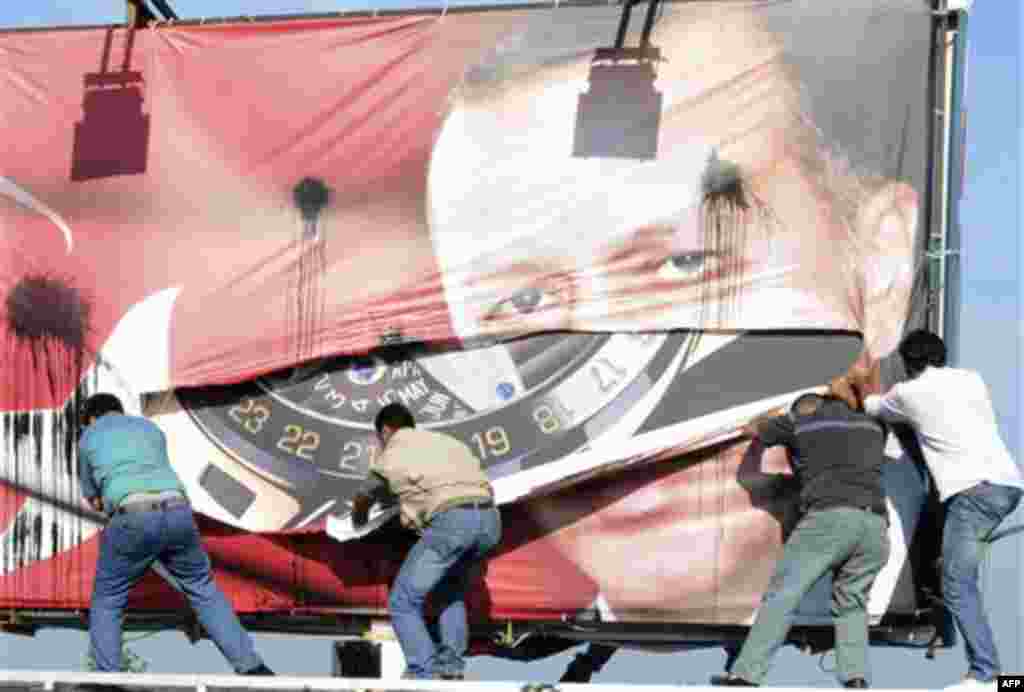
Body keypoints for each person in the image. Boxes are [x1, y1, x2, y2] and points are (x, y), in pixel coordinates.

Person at [863, 330, 1024, 689]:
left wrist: (857, 382)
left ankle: (985, 674)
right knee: (945, 554)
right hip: (1007, 486)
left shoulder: (906, 393)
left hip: (972, 494)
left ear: (908, 364)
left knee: (957, 583)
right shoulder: (972, 380)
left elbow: (872, 407)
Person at [77, 393, 274, 676]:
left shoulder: (89, 436)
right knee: (203, 590)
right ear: (119, 411)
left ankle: (109, 677)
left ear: (91, 418)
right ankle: (252, 667)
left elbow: (93, 498)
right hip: (178, 511)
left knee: (108, 598)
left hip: (131, 516)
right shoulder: (150, 429)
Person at [710, 384, 889, 688]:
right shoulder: (872, 425)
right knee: (852, 602)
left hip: (829, 520)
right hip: (874, 526)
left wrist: (777, 420)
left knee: (783, 596)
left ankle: (746, 675)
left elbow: (752, 429)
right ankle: (855, 678)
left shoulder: (801, 422)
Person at [351, 402, 502, 680]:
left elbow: (365, 495)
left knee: (402, 602)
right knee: (450, 592)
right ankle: (451, 667)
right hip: (489, 522)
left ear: (385, 431)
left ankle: (423, 671)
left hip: (452, 524)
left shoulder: (394, 449)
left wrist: (357, 521)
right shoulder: (446, 442)